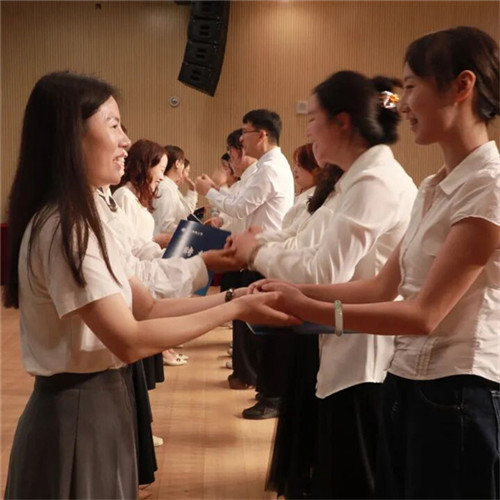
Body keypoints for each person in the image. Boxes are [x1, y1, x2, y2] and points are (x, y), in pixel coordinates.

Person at [2, 71, 296, 500]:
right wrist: (234, 308)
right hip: (76, 410)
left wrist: (233, 293)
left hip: (101, 400)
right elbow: (129, 339)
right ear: (70, 136)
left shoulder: (85, 216)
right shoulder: (68, 227)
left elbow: (147, 306)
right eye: (114, 125)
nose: (125, 141)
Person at [252, 26, 500, 500]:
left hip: (460, 392)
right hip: (407, 381)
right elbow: (382, 286)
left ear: (462, 86)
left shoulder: (488, 186)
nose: (401, 105)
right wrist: (292, 293)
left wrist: (311, 308)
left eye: (411, 86)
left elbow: (425, 314)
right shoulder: (432, 187)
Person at [230, 71, 417, 492]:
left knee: (352, 476)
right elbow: (315, 255)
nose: (309, 130)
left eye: (314, 118)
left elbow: (322, 270)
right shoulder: (357, 180)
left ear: (343, 122)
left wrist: (256, 253)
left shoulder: (375, 181)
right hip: (346, 339)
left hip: (367, 357)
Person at [113, 140, 184, 368]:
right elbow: (128, 245)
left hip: (146, 267)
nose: (162, 176)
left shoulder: (136, 197)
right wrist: (159, 246)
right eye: (160, 169)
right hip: (136, 273)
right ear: (145, 166)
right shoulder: (124, 196)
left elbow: (138, 239)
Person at [152, 145, 197, 235]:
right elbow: (166, 226)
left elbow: (185, 211)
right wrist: (192, 231)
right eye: (183, 163)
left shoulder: (170, 187)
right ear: (177, 163)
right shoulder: (165, 188)